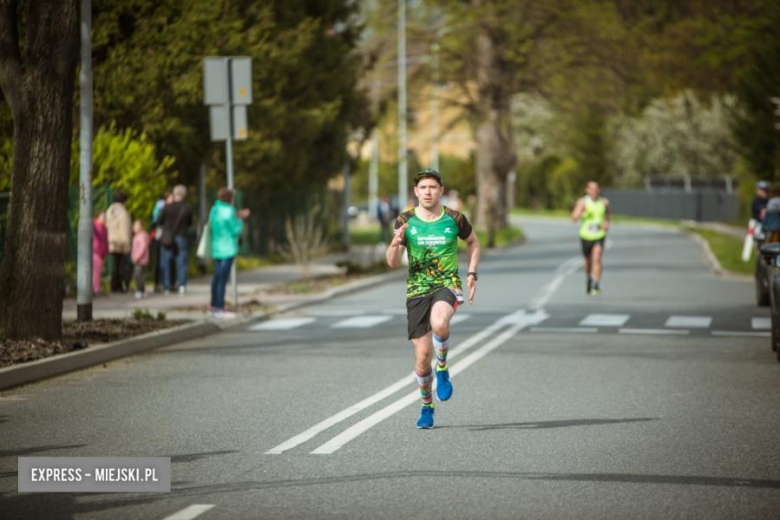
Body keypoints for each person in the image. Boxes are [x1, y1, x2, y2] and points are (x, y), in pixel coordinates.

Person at [386, 168, 480, 429]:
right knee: (421, 356)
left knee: (440, 322)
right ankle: (427, 406)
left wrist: (472, 272)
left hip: (446, 284)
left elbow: (473, 242)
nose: (428, 192)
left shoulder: (455, 219)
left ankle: (443, 367)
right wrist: (395, 244)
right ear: (416, 192)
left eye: (432, 187)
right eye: (423, 188)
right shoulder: (405, 220)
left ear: (441, 191)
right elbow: (392, 263)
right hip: (417, 290)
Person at [208, 187, 250, 319]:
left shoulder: (214, 209)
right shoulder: (230, 211)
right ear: (230, 198)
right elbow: (234, 230)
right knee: (223, 278)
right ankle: (220, 307)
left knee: (216, 277)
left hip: (216, 247)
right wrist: (240, 221)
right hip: (228, 248)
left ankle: (214, 305)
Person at [571, 181, 610, 295]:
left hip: (599, 235)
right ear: (587, 190)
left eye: (596, 189)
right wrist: (581, 211)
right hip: (585, 235)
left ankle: (596, 284)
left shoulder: (604, 202)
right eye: (592, 189)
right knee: (588, 261)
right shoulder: (583, 202)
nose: (594, 192)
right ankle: (589, 278)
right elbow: (574, 218)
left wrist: (606, 223)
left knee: (597, 258)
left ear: (599, 190)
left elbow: (608, 215)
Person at [156, 185, 193, 295]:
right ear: (184, 194)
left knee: (166, 260)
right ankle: (181, 285)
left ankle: (167, 286)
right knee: (181, 261)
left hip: (168, 236)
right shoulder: (187, 207)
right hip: (181, 235)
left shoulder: (167, 207)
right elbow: (190, 223)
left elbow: (159, 221)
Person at [105, 191, 132, 293]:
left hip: (111, 241)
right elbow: (125, 230)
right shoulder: (123, 213)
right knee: (121, 265)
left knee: (114, 265)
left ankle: (113, 285)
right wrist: (127, 245)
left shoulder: (109, 211)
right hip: (121, 242)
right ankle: (119, 286)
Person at [150, 191, 170, 292]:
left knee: (159, 259)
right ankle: (160, 282)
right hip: (162, 234)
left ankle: (158, 283)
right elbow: (156, 221)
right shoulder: (162, 206)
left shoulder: (158, 206)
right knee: (160, 259)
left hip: (159, 234)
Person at [131, 220, 151, 299]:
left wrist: (137, 257)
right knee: (139, 275)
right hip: (138, 259)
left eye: (136, 226)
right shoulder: (137, 236)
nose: (134, 228)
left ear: (141, 227)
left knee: (138, 275)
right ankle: (142, 290)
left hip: (140, 260)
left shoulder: (141, 236)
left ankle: (140, 290)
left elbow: (142, 248)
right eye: (134, 226)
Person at [92, 211, 109, 294]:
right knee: (96, 271)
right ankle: (96, 289)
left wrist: (106, 251)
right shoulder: (94, 226)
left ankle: (97, 288)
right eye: (102, 217)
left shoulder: (104, 228)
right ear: (97, 217)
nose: (104, 218)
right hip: (96, 251)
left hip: (102, 253)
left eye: (105, 217)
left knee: (99, 271)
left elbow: (105, 241)